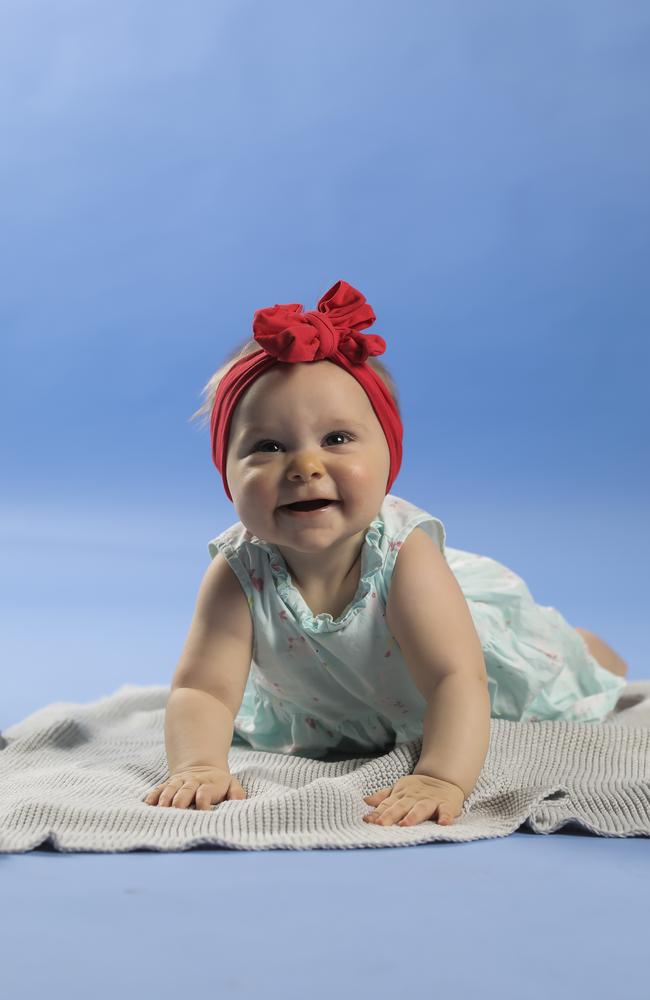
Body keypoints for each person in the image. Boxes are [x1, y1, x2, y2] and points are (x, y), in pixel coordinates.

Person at [144, 279, 628, 827]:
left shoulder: (405, 555)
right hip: (337, 700)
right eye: (268, 447)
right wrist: (201, 764)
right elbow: (203, 686)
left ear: (388, 457)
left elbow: (454, 678)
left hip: (455, 668)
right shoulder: (238, 571)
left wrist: (441, 775)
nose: (305, 465)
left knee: (565, 665)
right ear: (227, 474)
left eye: (337, 439)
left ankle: (584, 647)